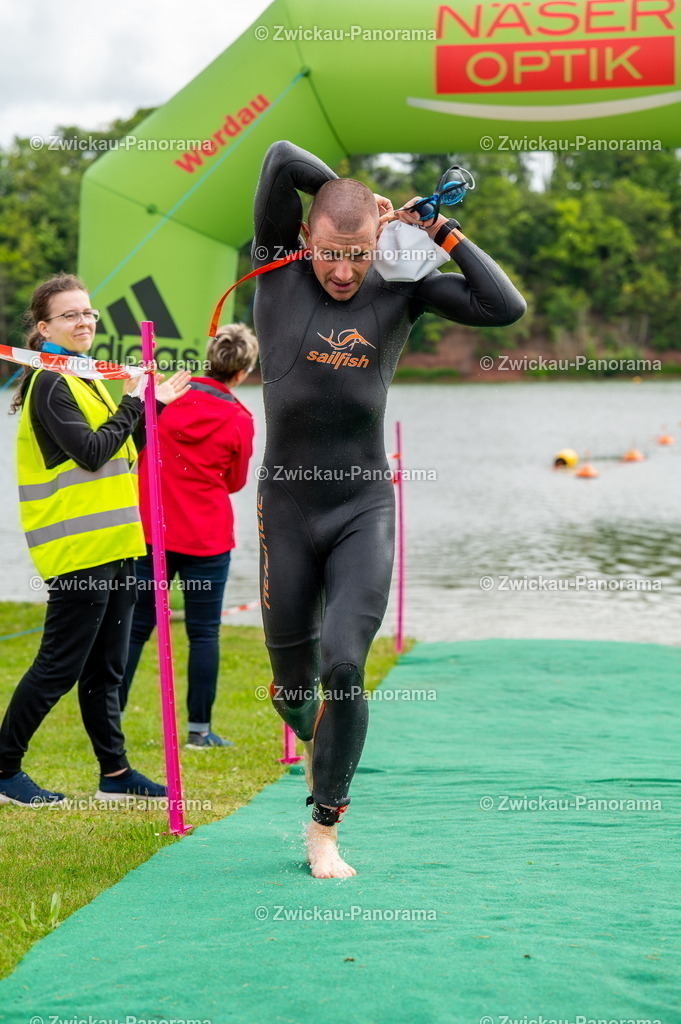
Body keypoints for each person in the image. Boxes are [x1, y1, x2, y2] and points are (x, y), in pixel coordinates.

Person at [252, 141, 526, 878]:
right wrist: (349, 194)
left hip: (359, 510)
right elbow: (280, 158)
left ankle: (325, 827)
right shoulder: (276, 269)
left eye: (360, 255)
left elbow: (504, 307)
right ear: (306, 239)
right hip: (285, 509)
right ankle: (321, 738)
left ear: (381, 243)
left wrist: (435, 231)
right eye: (331, 254)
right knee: (293, 689)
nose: (344, 273)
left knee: (345, 663)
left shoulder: (399, 286)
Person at [0, 273, 190, 807]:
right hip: (79, 550)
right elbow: (90, 451)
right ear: (44, 328)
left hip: (118, 543)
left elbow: (120, 446)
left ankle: (115, 773)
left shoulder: (84, 378)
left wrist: (157, 405)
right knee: (59, 665)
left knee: (108, 666)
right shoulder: (52, 382)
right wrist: (134, 399)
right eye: (71, 315)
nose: (85, 322)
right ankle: (4, 768)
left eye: (89, 313)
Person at [120, 325, 257, 748]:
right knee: (204, 634)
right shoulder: (240, 419)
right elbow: (234, 482)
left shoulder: (163, 396)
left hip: (151, 530)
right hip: (207, 537)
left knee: (135, 628)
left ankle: (112, 721)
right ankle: (199, 731)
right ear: (243, 371)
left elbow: (134, 445)